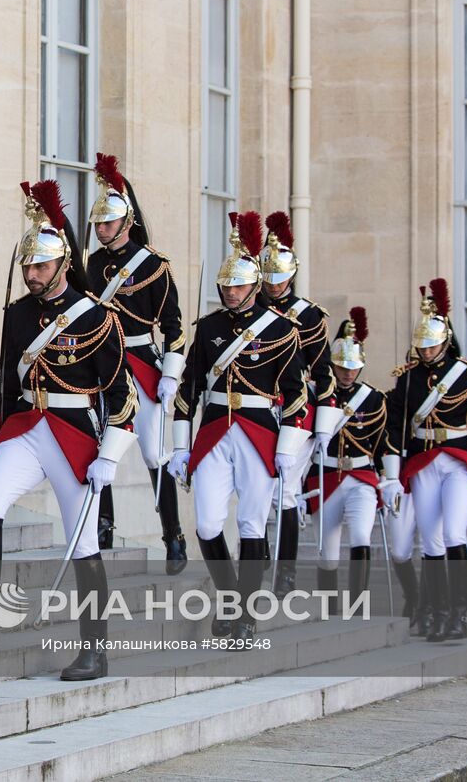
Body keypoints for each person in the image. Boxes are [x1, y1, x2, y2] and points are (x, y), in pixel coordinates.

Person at [0, 181, 137, 681]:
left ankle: (95, 650)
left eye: (41, 266)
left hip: (76, 437)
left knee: (84, 541)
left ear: (63, 265)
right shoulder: (18, 314)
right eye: (27, 266)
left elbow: (122, 393)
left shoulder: (98, 318)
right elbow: (4, 383)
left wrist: (109, 454)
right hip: (27, 426)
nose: (31, 275)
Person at [167, 211, 309, 641]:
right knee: (208, 524)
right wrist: (179, 444)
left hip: (260, 431)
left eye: (239, 286)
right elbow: (188, 389)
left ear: (255, 286)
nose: (231, 293)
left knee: (250, 524)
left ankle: (245, 616)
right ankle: (230, 598)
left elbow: (298, 394)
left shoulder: (283, 330)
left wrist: (288, 447)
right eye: (226, 286)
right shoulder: (208, 327)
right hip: (213, 431)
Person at [84, 153, 187, 572]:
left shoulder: (154, 266)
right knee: (98, 444)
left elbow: (175, 326)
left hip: (143, 362)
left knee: (154, 454)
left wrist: (170, 374)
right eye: (98, 224)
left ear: (127, 223)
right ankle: (104, 522)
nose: (101, 230)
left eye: (108, 223)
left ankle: (173, 536)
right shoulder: (93, 264)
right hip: (105, 362)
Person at [385, 278, 467, 642]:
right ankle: (434, 613)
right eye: (422, 346)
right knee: (431, 542)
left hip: (458, 460)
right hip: (423, 461)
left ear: (445, 342)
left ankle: (459, 614)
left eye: (432, 345)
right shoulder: (407, 380)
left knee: (453, 533)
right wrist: (391, 477)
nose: (426, 352)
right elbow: (395, 432)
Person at [259, 211, 340, 597]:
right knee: (256, 491)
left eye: (281, 279)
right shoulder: (250, 308)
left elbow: (323, 374)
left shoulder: (308, 315)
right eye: (269, 279)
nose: (274, 287)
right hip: (255, 408)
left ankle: (286, 572)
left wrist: (324, 426)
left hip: (295, 409)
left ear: (292, 275)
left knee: (285, 492)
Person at [305, 308, 400, 601]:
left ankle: (358, 605)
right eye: (342, 367)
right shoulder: (314, 392)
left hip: (361, 476)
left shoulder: (373, 399)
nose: (347, 373)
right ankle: (330, 609)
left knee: (361, 536)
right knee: (327, 553)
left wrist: (391, 479)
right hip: (326, 475)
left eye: (353, 367)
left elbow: (386, 442)